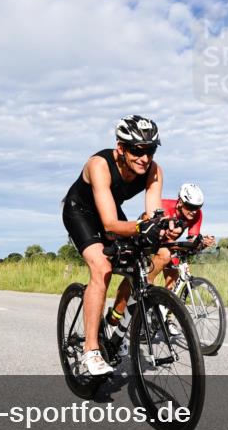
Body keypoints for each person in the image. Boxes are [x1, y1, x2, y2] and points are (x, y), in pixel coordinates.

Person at [62, 115, 182, 376]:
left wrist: (163, 228)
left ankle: (117, 320)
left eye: (150, 150)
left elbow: (152, 214)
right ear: (121, 148)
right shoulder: (99, 165)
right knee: (102, 267)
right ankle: (91, 351)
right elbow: (109, 224)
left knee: (158, 255)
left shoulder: (154, 170)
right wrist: (142, 226)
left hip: (111, 212)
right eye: (137, 151)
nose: (144, 158)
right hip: (81, 212)